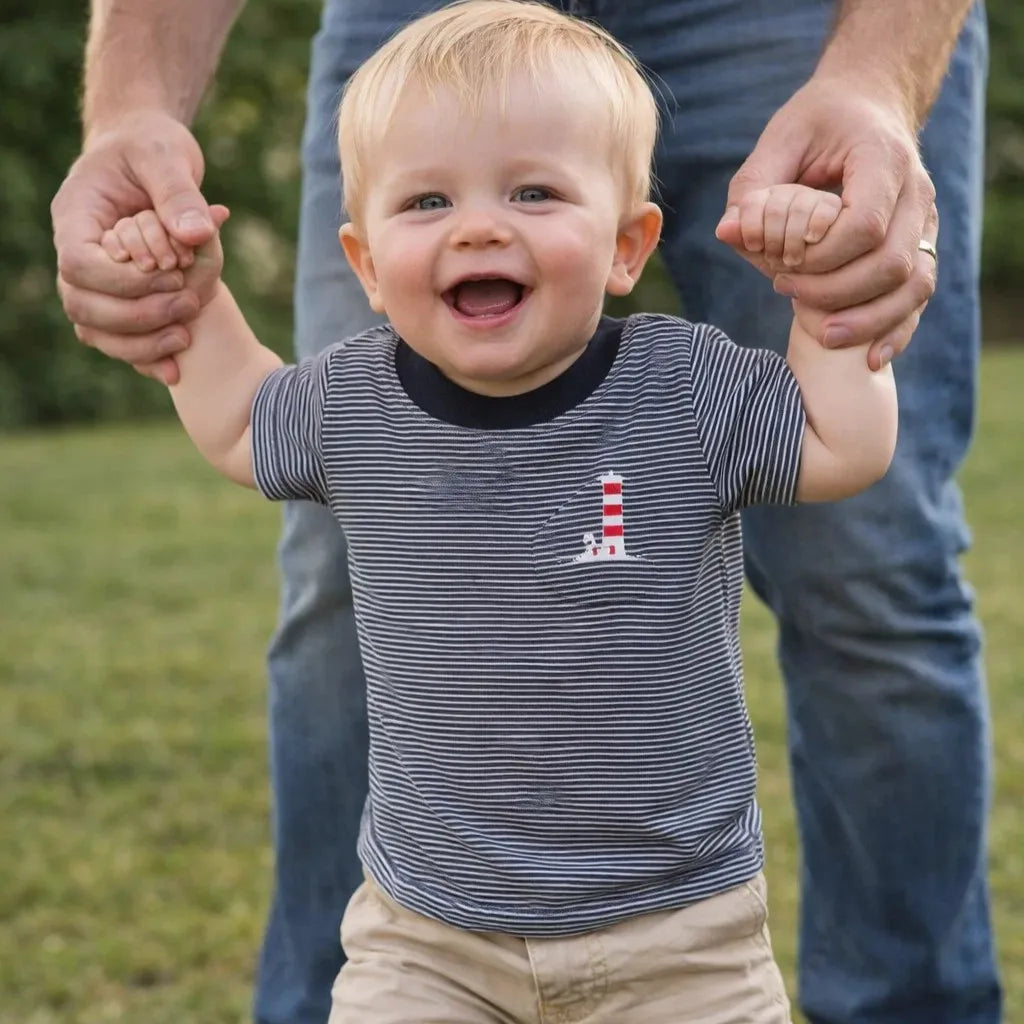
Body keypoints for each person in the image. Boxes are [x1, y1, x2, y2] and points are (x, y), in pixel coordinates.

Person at [50, 1, 998, 1022]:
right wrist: (185, 299)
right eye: (424, 203)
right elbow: (239, 421)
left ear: (629, 243)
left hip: (680, 944)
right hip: (426, 945)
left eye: (535, 192)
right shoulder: (351, 402)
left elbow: (840, 444)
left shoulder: (684, 391)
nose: (480, 224)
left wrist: (825, 304)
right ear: (364, 265)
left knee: (874, 581)